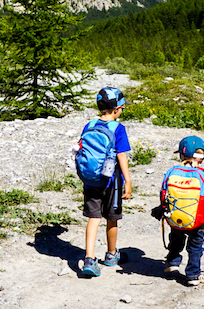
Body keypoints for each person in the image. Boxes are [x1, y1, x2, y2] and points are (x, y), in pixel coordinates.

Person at [80, 86, 132, 277]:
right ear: (117, 108)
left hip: (91, 181)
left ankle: (89, 258)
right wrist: (128, 181)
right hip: (112, 182)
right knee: (112, 218)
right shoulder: (118, 128)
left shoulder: (89, 125)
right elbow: (122, 156)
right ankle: (111, 255)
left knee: (94, 218)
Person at [160, 135, 204, 286]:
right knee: (195, 246)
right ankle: (193, 274)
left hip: (175, 217)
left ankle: (172, 262)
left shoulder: (173, 172)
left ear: (181, 155)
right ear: (202, 158)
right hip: (198, 220)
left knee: (176, 239)